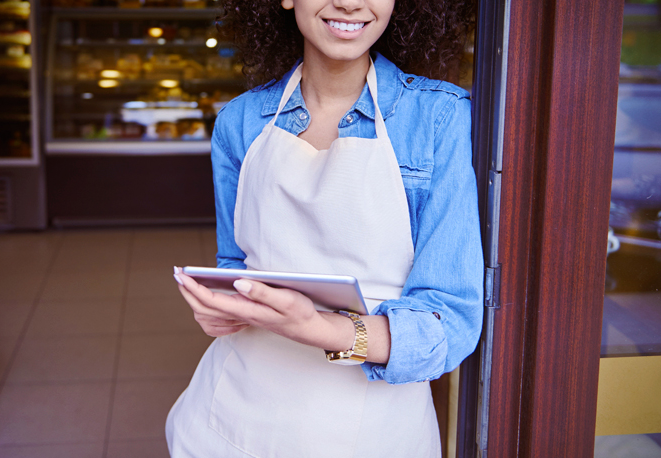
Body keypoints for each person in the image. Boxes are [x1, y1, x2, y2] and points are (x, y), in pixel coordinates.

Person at [167, 0, 483, 456]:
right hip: (230, 420)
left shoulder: (438, 118)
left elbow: (451, 322)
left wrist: (323, 329)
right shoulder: (239, 121)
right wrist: (222, 308)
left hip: (371, 432)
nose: (351, 2)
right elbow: (237, 266)